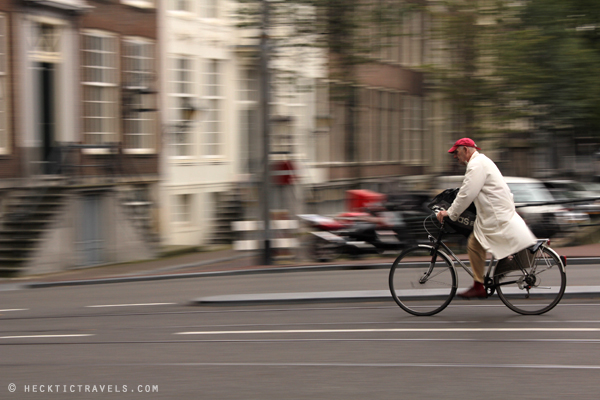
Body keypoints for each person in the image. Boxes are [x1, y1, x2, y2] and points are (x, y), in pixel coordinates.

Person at [436, 138, 537, 298]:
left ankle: (479, 286)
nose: (455, 156)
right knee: (479, 242)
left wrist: (450, 213)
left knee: (474, 244)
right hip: (497, 212)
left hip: (495, 215)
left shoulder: (475, 165)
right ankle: (485, 279)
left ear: (466, 150)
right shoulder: (482, 161)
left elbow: (467, 194)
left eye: (456, 152)